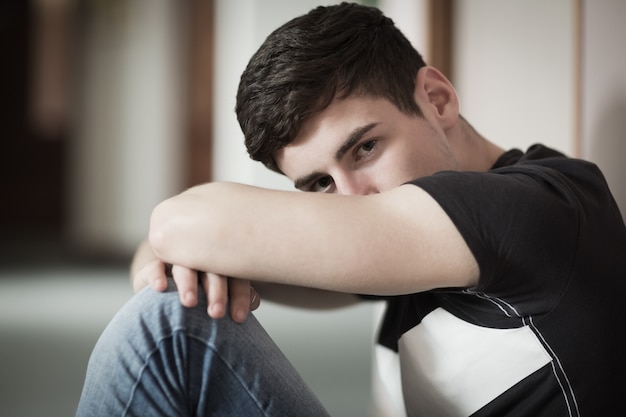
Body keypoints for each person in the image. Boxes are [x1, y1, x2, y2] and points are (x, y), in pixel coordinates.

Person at [75, 2, 626, 416]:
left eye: (365, 148)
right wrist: (176, 265)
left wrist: (183, 245)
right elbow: (161, 250)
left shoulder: (535, 210)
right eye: (318, 183)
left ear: (436, 100)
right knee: (174, 307)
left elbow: (173, 223)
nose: (352, 199)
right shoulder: (410, 241)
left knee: (167, 329)